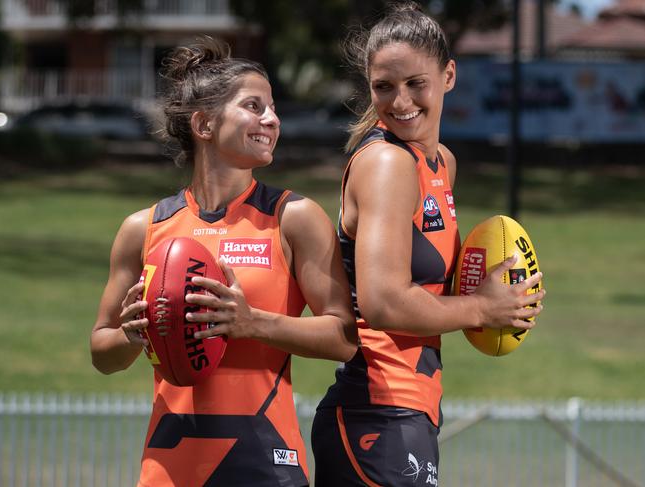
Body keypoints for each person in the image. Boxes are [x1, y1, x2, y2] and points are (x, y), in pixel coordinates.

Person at [90, 37, 356, 487]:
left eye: (272, 108)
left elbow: (346, 337)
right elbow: (102, 352)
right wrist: (134, 335)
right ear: (204, 124)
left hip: (266, 457)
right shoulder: (144, 228)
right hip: (169, 465)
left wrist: (252, 323)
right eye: (254, 106)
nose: (271, 119)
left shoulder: (293, 218)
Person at [311, 4, 546, 486]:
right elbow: (383, 301)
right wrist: (483, 310)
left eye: (416, 83)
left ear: (449, 75)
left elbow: (435, 290)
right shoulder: (386, 164)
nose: (400, 102)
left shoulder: (441, 164)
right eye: (383, 87)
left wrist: (508, 294)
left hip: (411, 413)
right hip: (375, 411)